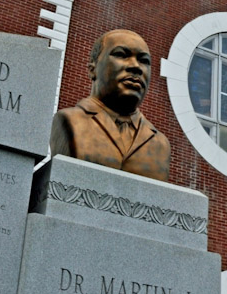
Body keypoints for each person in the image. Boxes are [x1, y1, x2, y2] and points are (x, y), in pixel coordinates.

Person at [50, 29, 170, 181]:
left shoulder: (160, 143)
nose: (136, 67)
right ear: (92, 69)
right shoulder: (69, 120)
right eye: (121, 54)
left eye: (144, 60)